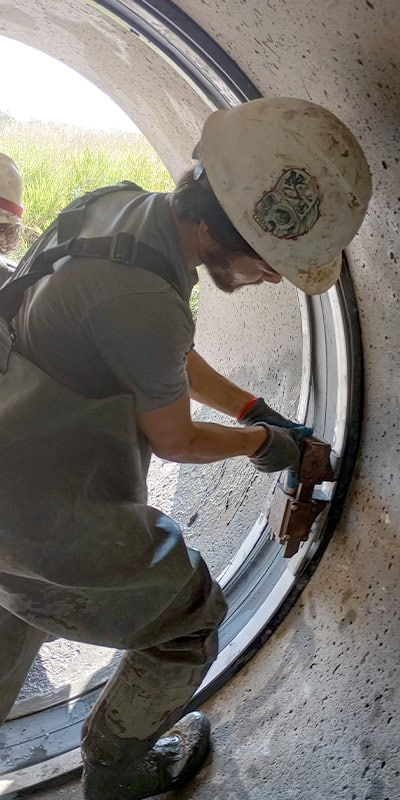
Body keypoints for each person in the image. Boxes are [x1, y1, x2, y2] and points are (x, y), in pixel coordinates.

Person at [0, 97, 371, 800]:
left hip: (10, 463)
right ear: (227, 226)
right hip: (46, 510)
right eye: (270, 262)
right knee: (188, 619)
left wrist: (250, 407)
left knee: (16, 610)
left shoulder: (120, 212)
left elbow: (163, 356)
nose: (270, 278)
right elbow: (174, 439)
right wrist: (265, 444)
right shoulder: (145, 305)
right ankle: (119, 772)